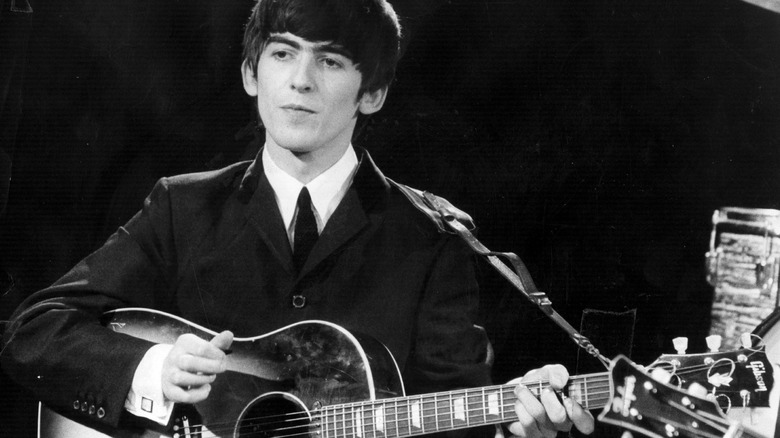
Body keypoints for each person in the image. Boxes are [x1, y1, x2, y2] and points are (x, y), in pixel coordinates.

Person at [1, 1, 594, 437]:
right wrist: (156, 368)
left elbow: (455, 415)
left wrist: (516, 423)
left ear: (373, 93)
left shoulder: (435, 237)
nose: (301, 80)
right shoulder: (183, 206)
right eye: (283, 53)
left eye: (331, 61)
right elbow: (32, 332)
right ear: (251, 75)